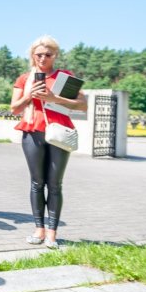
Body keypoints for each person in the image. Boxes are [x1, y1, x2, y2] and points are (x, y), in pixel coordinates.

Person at [10, 35, 87, 249]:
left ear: (55, 56)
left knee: (54, 184)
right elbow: (14, 108)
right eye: (39, 54)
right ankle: (39, 229)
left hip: (59, 133)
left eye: (48, 54)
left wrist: (54, 99)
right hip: (32, 132)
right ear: (32, 56)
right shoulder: (24, 79)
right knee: (37, 183)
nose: (43, 58)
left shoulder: (64, 77)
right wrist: (29, 96)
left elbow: (82, 105)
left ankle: (52, 233)